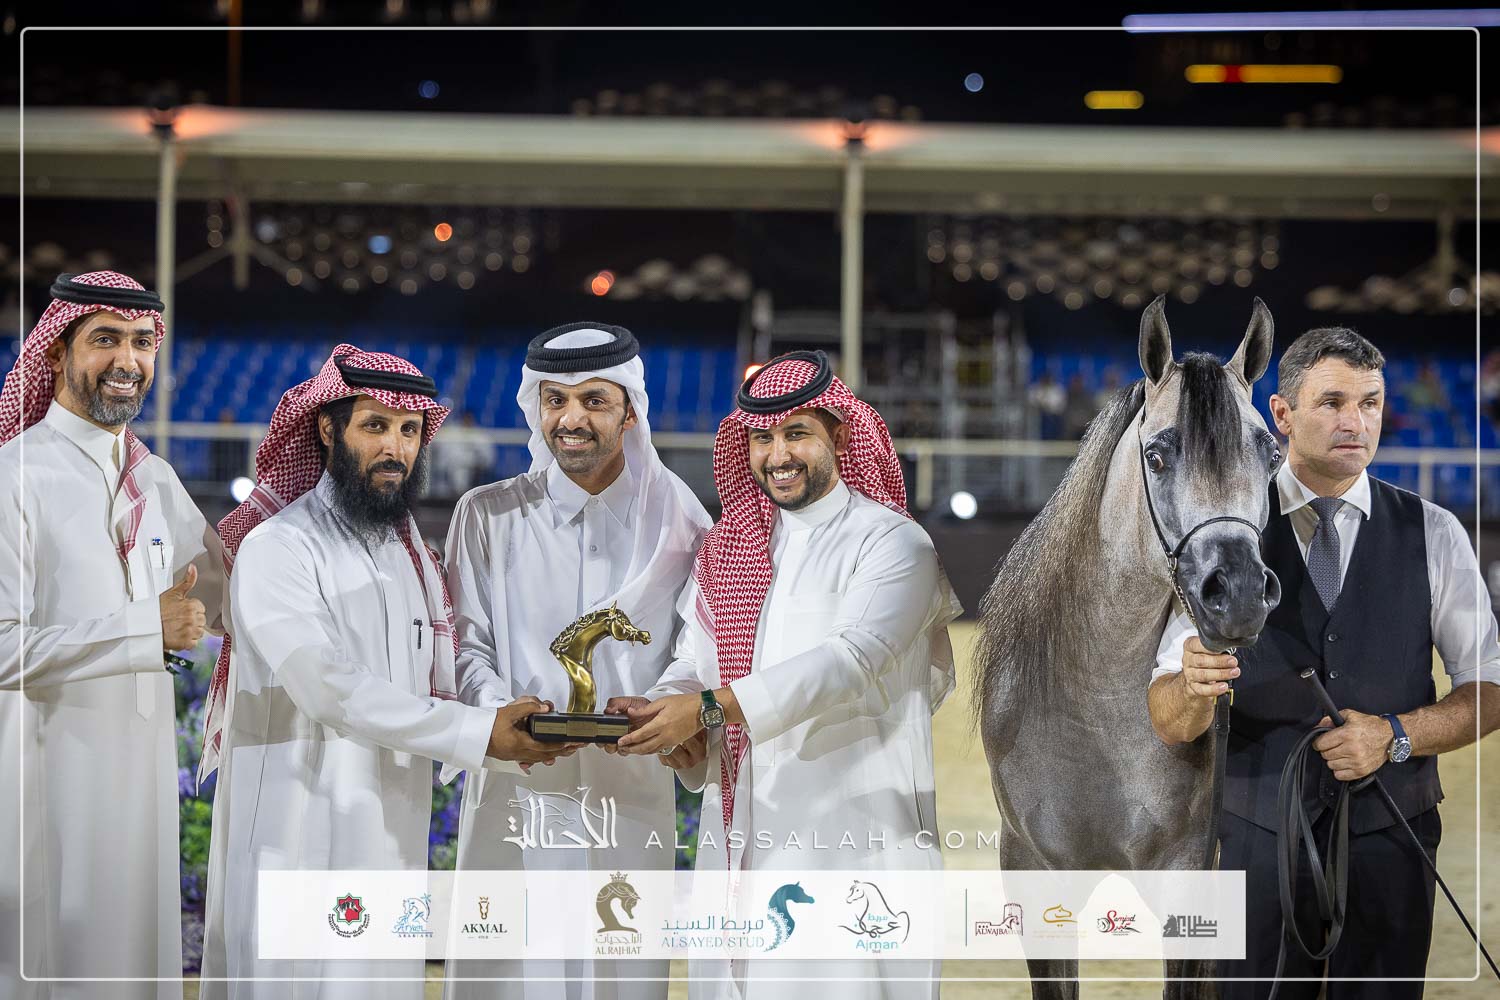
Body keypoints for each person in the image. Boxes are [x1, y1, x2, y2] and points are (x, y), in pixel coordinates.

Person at [198, 345, 574, 1000]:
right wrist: (478, 733)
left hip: (392, 836)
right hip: (297, 831)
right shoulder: (278, 548)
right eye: (375, 426)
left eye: (409, 430)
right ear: (327, 429)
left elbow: (441, 673)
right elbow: (327, 688)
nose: (395, 448)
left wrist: (512, 721)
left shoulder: (412, 560)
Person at [1147, 327, 1500, 1000]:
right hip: (1250, 842)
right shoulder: (1220, 536)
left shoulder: (1434, 532)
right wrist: (1191, 688)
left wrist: (1395, 735)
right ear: (1281, 415)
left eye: (1370, 404)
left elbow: (1490, 687)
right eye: (1332, 403)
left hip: (1393, 834)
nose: (1355, 423)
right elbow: (1168, 719)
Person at [617, 349, 962, 1000]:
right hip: (741, 827)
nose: (778, 454)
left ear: (839, 436)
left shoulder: (892, 543)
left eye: (796, 433)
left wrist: (709, 709)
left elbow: (851, 661)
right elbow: (696, 659)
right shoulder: (730, 547)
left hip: (853, 835)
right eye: (762, 438)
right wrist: (670, 713)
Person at [441, 322, 711, 1000]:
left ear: (629, 412)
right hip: (516, 784)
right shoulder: (487, 515)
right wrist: (498, 716)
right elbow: (465, 644)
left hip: (631, 788)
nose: (572, 419)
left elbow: (699, 644)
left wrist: (665, 706)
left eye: (594, 400)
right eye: (555, 400)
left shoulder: (680, 520)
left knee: (622, 962)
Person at [0, 271, 219, 998]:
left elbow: (229, 591)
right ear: (56, 352)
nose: (129, 360)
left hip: (142, 786)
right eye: (106, 339)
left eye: (143, 342)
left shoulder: (153, 478)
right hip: (48, 786)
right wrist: (143, 628)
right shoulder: (16, 476)